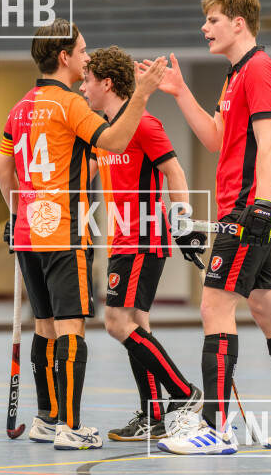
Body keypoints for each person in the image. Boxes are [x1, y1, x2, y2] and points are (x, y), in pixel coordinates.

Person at [151, 0, 271, 454]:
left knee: (214, 307)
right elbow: (216, 138)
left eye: (212, 20)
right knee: (266, 308)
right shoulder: (234, 76)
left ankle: (214, 428)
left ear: (238, 23)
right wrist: (179, 92)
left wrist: (261, 206)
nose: (204, 28)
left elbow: (269, 141)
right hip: (242, 208)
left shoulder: (259, 69)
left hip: (248, 209)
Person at [0, 19, 168, 450]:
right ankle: (70, 427)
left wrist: (16, 213)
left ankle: (46, 419)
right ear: (63, 57)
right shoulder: (70, 104)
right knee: (71, 327)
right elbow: (114, 141)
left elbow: (2, 170)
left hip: (28, 232)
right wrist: (142, 94)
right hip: (64, 234)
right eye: (82, 51)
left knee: (44, 327)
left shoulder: (19, 108)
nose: (86, 57)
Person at [78, 46, 207, 442]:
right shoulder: (104, 133)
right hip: (121, 240)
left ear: (107, 83)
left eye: (87, 81)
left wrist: (183, 224)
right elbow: (80, 176)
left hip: (142, 239)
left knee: (116, 323)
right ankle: (152, 415)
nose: (82, 88)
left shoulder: (146, 125)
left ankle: (184, 393)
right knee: (137, 325)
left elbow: (175, 172)